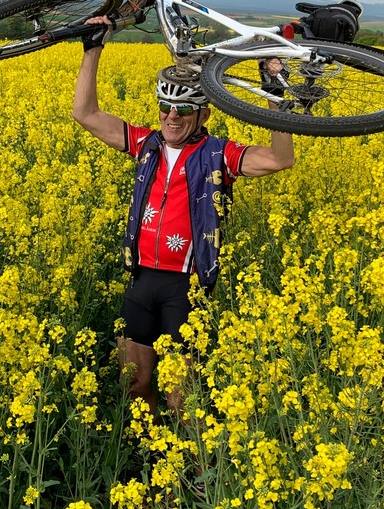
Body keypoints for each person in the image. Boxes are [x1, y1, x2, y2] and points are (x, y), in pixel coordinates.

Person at [72, 24, 294, 414]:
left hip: (186, 286)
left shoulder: (218, 155)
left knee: (180, 397)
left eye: (185, 109)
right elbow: (85, 114)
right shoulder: (145, 145)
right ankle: (152, 447)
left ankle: (193, 455)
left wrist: (274, 95)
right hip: (141, 278)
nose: (172, 117)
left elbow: (280, 159)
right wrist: (93, 49)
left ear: (204, 113)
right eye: (166, 107)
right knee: (134, 383)